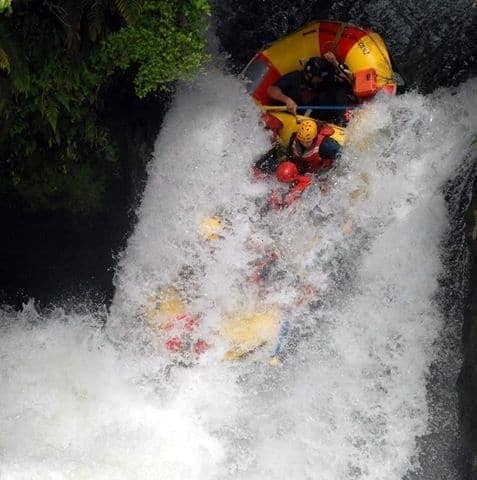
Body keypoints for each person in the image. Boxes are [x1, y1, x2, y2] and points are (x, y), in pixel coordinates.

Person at [260, 119, 341, 208]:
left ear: (314, 138)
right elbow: (289, 156)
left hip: (319, 171)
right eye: (302, 140)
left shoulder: (327, 145)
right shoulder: (294, 137)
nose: (304, 143)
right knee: (284, 171)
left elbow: (341, 158)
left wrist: (327, 180)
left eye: (307, 141)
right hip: (302, 170)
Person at [266, 52, 354, 125]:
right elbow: (271, 90)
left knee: (338, 91)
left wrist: (335, 63)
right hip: (292, 116)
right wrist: (287, 100)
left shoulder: (319, 81)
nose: (321, 79)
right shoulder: (295, 78)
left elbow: (344, 80)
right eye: (319, 77)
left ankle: (342, 119)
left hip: (313, 112)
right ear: (310, 76)